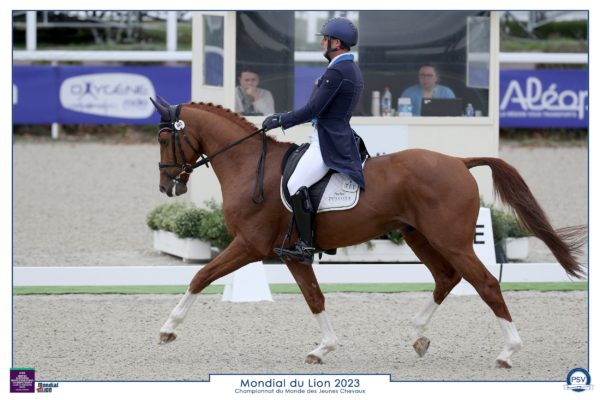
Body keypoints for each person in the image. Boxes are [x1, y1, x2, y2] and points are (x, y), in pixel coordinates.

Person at [262, 17, 364, 265]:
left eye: (325, 38)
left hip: (328, 141)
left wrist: (280, 120)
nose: (321, 42)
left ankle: (306, 246)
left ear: (336, 43)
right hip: (326, 135)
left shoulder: (339, 70)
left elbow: (313, 109)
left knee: (296, 183)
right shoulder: (344, 68)